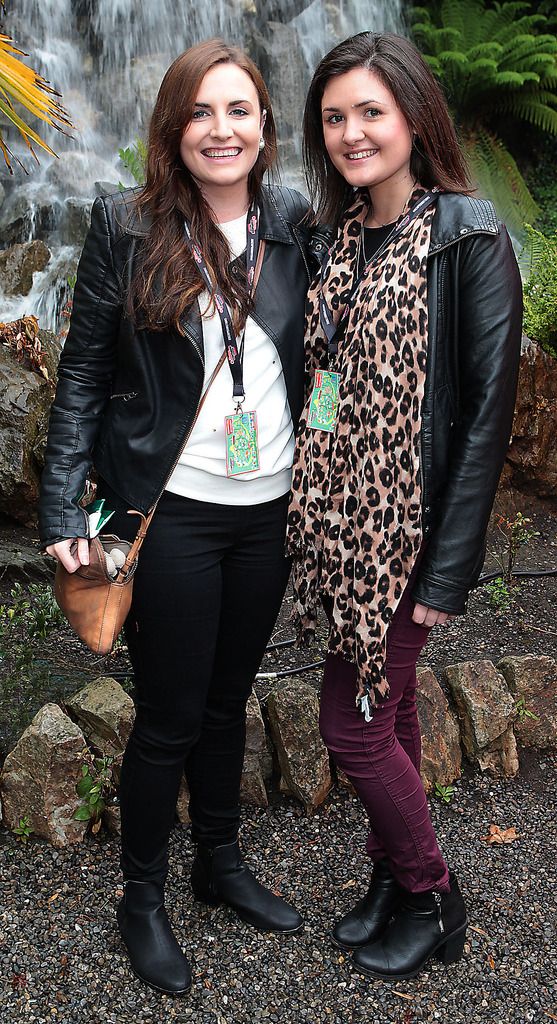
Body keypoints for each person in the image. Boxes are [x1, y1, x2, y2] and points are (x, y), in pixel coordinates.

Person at [39, 39, 315, 996]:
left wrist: (317, 439)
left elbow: (321, 355)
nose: (220, 129)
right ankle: (142, 897)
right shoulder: (126, 225)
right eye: (200, 112)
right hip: (174, 513)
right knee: (167, 718)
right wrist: (62, 500)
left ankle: (220, 862)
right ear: (173, 127)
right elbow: (79, 375)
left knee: (228, 702)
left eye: (238, 110)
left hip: (268, 508)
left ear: (266, 127)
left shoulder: (293, 219)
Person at [286, 31, 522, 982]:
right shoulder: (334, 233)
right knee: (392, 714)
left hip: (406, 535)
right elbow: (324, 384)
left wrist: (447, 569)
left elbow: (484, 419)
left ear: (413, 117)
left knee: (350, 727)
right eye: (335, 116)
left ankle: (431, 891)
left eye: (369, 112)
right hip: (343, 529)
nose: (351, 133)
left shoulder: (467, 234)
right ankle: (388, 877)